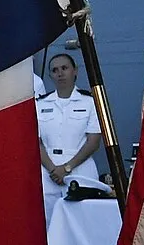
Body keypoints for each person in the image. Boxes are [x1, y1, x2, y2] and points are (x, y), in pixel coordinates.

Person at [37, 50, 102, 231]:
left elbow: (93, 142)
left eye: (64, 68)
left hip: (79, 170)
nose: (60, 73)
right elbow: (37, 142)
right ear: (50, 75)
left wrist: (66, 169)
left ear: (75, 71)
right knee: (47, 226)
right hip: (47, 172)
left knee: (82, 226)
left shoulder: (90, 102)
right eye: (55, 70)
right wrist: (53, 169)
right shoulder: (40, 104)